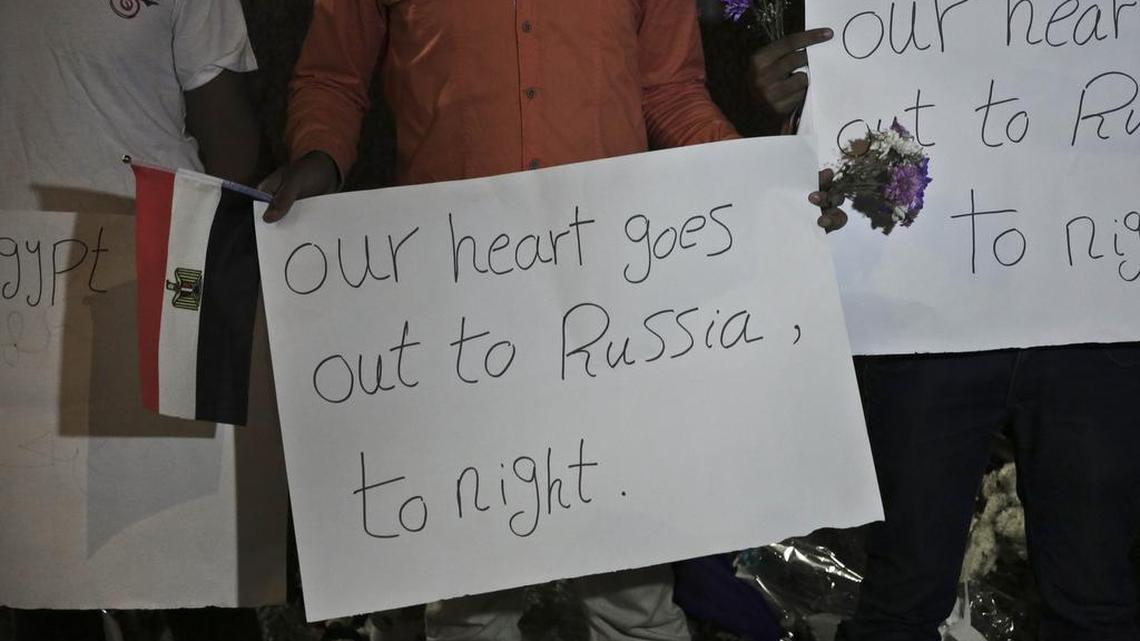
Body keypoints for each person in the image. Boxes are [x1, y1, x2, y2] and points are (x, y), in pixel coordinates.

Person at [262, 2, 843, 641]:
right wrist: (321, 154)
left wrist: (753, 178)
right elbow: (332, 78)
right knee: (469, 602)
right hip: (455, 303)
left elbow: (671, 91)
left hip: (607, 301)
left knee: (634, 585)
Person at [750, 23, 1140, 641]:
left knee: (1096, 598)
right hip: (930, 316)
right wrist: (800, 116)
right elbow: (833, 153)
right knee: (903, 599)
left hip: (1095, 312)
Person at [0, 1, 263, 639]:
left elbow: (231, 144)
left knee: (192, 570)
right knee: (47, 579)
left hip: (159, 278)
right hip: (22, 297)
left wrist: (199, 279)